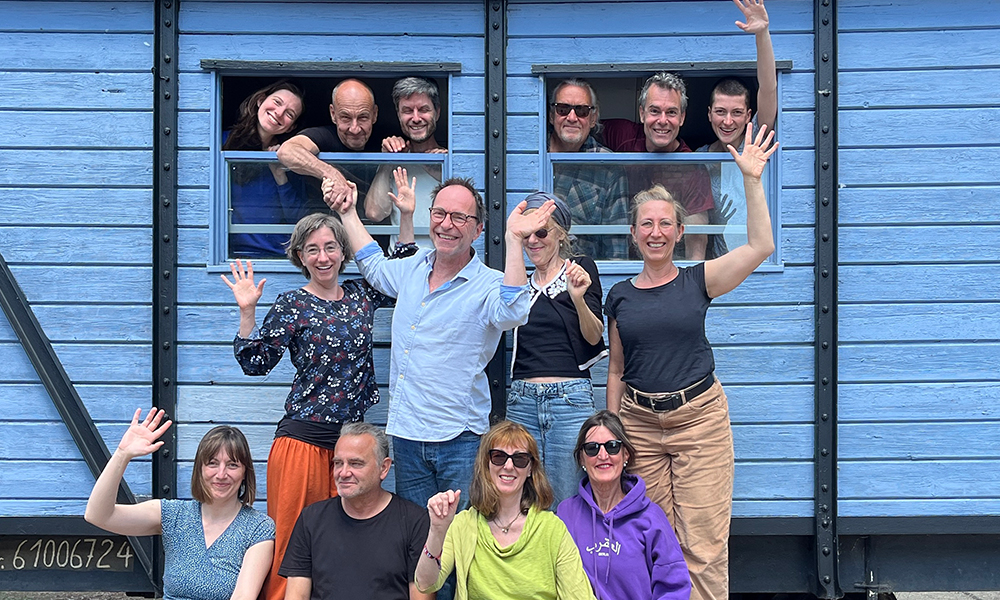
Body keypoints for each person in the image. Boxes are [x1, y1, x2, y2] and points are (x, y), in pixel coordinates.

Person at [604, 123, 778, 600]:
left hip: (699, 421)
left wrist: (751, 179)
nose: (656, 232)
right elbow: (616, 370)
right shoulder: (619, 295)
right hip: (640, 424)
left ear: (680, 232)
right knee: (653, 541)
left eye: (665, 224)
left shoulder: (698, 280)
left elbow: (760, 247)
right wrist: (615, 433)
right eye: (646, 224)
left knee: (702, 546)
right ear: (633, 234)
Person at [221, 201, 416, 600]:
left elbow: (405, 272)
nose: (323, 257)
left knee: (347, 542)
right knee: (293, 541)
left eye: (330, 247)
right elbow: (256, 363)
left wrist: (407, 218)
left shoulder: (362, 294)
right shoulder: (292, 304)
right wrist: (247, 312)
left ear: (344, 252)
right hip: (302, 442)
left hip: (351, 446)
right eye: (312, 249)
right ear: (300, 256)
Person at [325, 175, 553, 513]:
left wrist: (514, 240)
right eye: (440, 213)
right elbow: (373, 265)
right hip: (407, 435)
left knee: (460, 537)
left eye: (460, 217)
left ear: (478, 230)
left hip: (459, 439)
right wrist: (347, 214)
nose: (446, 224)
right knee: (418, 535)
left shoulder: (489, 284)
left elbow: (513, 312)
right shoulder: (413, 268)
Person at [85, 409, 273, 600]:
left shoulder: (258, 528)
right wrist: (122, 455)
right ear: (200, 469)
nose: (221, 474)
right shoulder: (173, 515)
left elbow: (243, 596)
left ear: (244, 473)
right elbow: (98, 515)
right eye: (212, 463)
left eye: (232, 465)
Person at [415, 420, 596, 600]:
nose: (508, 466)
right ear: (486, 464)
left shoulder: (552, 528)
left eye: (520, 459)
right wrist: (437, 531)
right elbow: (425, 584)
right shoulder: (464, 524)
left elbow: (580, 596)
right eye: (499, 457)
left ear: (530, 468)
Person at [506, 191, 607, 504]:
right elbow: (509, 313)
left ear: (561, 235)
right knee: (521, 500)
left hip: (569, 400)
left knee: (566, 500)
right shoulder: (518, 278)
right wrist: (512, 237)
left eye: (541, 232)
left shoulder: (580, 269)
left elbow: (594, 336)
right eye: (527, 234)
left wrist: (577, 298)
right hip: (522, 399)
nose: (532, 241)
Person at [280, 422, 432, 600]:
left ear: (384, 468)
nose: (343, 473)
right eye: (338, 463)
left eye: (355, 463)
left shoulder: (414, 521)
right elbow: (296, 595)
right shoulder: (311, 519)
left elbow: (421, 596)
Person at [557, 411, 690, 600]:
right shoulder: (566, 514)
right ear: (581, 458)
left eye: (612, 447)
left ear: (625, 454)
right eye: (592, 448)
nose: (603, 455)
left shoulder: (651, 518)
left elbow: (674, 587)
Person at [602, 73, 714, 260]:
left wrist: (692, 276)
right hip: (619, 262)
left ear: (682, 117)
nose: (662, 120)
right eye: (654, 111)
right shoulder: (622, 135)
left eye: (671, 112)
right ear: (642, 113)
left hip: (666, 264)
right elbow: (579, 126)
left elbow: (696, 241)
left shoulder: (693, 168)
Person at [696, 0, 777, 252]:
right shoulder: (699, 158)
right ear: (709, 114)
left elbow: (768, 87)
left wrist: (762, 34)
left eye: (737, 113)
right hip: (721, 264)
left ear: (749, 116)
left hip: (760, 261)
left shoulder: (757, 140)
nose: (728, 121)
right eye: (720, 112)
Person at [276, 78, 386, 229]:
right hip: (326, 235)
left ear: (375, 114)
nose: (354, 129)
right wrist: (331, 174)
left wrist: (394, 152)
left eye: (363, 117)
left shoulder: (386, 138)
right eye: (346, 117)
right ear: (333, 114)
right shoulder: (324, 136)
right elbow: (287, 151)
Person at [223, 80, 308, 258]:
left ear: (291, 127)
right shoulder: (223, 143)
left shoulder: (290, 160)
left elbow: (299, 219)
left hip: (277, 256)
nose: (279, 113)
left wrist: (279, 175)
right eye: (277, 102)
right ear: (260, 100)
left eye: (289, 114)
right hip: (232, 255)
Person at [547, 78, 630, 260]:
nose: (572, 117)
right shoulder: (533, 152)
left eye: (582, 111)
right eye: (563, 109)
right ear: (552, 115)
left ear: (593, 118)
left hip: (582, 272)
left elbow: (617, 247)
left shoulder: (607, 166)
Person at [368, 76, 448, 248]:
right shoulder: (394, 160)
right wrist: (388, 160)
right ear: (399, 115)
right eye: (408, 111)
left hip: (441, 261)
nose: (416, 118)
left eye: (423, 109)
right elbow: (375, 213)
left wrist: (441, 168)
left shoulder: (451, 160)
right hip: (402, 261)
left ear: (437, 112)